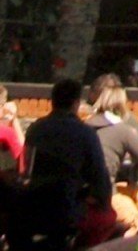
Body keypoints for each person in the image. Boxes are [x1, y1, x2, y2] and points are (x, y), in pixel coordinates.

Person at [8, 77, 114, 251]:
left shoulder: (36, 129)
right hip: (67, 211)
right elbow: (101, 183)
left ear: (53, 101)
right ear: (76, 103)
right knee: (107, 218)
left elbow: (24, 169)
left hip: (32, 208)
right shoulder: (85, 134)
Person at [86, 77, 138, 235]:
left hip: (96, 189)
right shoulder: (122, 129)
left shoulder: (86, 124)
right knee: (132, 218)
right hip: (105, 194)